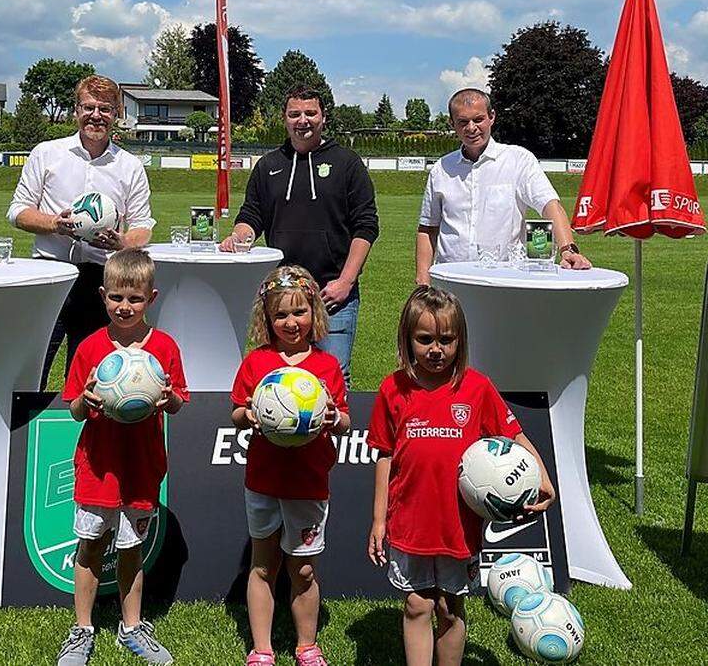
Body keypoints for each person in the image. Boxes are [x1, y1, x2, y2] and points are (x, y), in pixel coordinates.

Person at [366, 286, 556, 665]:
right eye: (425, 339)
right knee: (417, 605)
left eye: (446, 340)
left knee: (450, 609)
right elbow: (385, 456)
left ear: (460, 341)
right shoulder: (393, 389)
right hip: (409, 523)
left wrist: (543, 478)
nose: (436, 349)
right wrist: (378, 520)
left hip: (458, 527)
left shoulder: (477, 388)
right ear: (407, 340)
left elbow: (513, 436)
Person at [56, 248, 188, 666]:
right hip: (99, 467)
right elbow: (73, 407)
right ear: (102, 295)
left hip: (141, 467)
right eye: (116, 297)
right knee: (90, 545)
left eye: (134, 298)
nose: (124, 306)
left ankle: (131, 629)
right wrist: (86, 398)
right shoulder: (90, 348)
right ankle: (82, 630)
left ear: (152, 297)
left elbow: (180, 401)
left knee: (132, 549)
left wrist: (168, 400)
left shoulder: (165, 347)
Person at [230, 266, 351, 666]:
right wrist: (247, 416)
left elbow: (345, 420)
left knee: (302, 572)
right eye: (280, 315)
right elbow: (236, 412)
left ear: (314, 312)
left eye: (299, 312)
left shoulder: (327, 366)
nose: (290, 322)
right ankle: (262, 649)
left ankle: (306, 646)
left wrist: (334, 418)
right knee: (263, 565)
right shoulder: (256, 363)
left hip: (308, 481)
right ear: (267, 318)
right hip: (264, 478)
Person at [219, 85, 378, 387]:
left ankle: (330, 436)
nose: (302, 120)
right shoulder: (268, 166)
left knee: (334, 379)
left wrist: (346, 281)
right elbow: (252, 216)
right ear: (284, 119)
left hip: (334, 295)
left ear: (323, 117)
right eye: (295, 114)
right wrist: (239, 236)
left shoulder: (347, 163)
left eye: (310, 113)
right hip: (283, 295)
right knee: (280, 379)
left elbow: (367, 226)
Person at [7, 75, 155, 389]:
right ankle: (21, 433)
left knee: (89, 375)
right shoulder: (47, 154)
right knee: (32, 368)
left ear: (117, 115)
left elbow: (143, 227)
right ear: (76, 111)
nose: (96, 115)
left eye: (105, 108)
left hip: (101, 278)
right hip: (49, 272)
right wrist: (54, 224)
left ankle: (79, 435)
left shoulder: (130, 166)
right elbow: (17, 211)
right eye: (89, 107)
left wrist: (122, 241)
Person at [415, 88, 591, 286]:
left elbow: (550, 206)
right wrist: (423, 279)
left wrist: (568, 249)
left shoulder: (518, 160)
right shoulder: (441, 169)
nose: (471, 128)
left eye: (478, 119)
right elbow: (428, 228)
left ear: (491, 117)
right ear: (452, 124)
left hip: (503, 281)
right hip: (450, 282)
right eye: (463, 122)